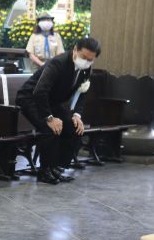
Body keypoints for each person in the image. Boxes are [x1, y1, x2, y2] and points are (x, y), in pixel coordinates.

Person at [15, 37, 101, 185]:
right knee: (50, 129)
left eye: (90, 60)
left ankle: (57, 167)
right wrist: (49, 118)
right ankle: (44, 171)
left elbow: (82, 93)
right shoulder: (58, 63)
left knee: (73, 128)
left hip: (52, 102)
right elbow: (40, 92)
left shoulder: (86, 70)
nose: (86, 62)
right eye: (84, 57)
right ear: (75, 50)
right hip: (31, 99)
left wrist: (77, 115)